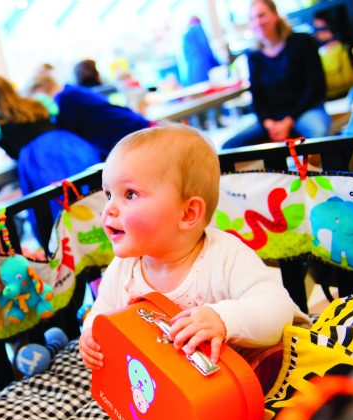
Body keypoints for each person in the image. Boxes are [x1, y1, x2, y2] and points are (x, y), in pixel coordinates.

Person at [79, 125, 309, 370]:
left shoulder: (225, 257)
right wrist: (92, 332)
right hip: (181, 386)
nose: (109, 210)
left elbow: (277, 308)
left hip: (250, 377)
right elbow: (103, 310)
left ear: (188, 213)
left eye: (130, 194)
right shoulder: (123, 269)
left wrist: (223, 319)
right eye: (108, 195)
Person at [0, 75, 103, 240]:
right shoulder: (36, 104)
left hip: (39, 160)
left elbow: (13, 153)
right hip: (68, 145)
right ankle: (102, 231)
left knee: (56, 206)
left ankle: (73, 245)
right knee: (90, 191)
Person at [221, 0, 330, 149]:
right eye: (252, 18)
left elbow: (316, 87)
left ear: (275, 15)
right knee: (229, 147)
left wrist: (288, 121)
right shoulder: (253, 56)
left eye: (261, 15)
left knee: (319, 133)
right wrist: (268, 122)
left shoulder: (303, 42)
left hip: (305, 111)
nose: (257, 22)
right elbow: (257, 97)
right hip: (272, 120)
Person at [28, 72, 153, 159]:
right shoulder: (72, 92)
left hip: (137, 137)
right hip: (137, 131)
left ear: (42, 90)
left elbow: (63, 133)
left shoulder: (65, 98)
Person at [312, 11, 353, 100]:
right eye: (315, 29)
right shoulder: (317, 53)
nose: (317, 33)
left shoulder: (348, 46)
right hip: (333, 99)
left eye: (320, 29)